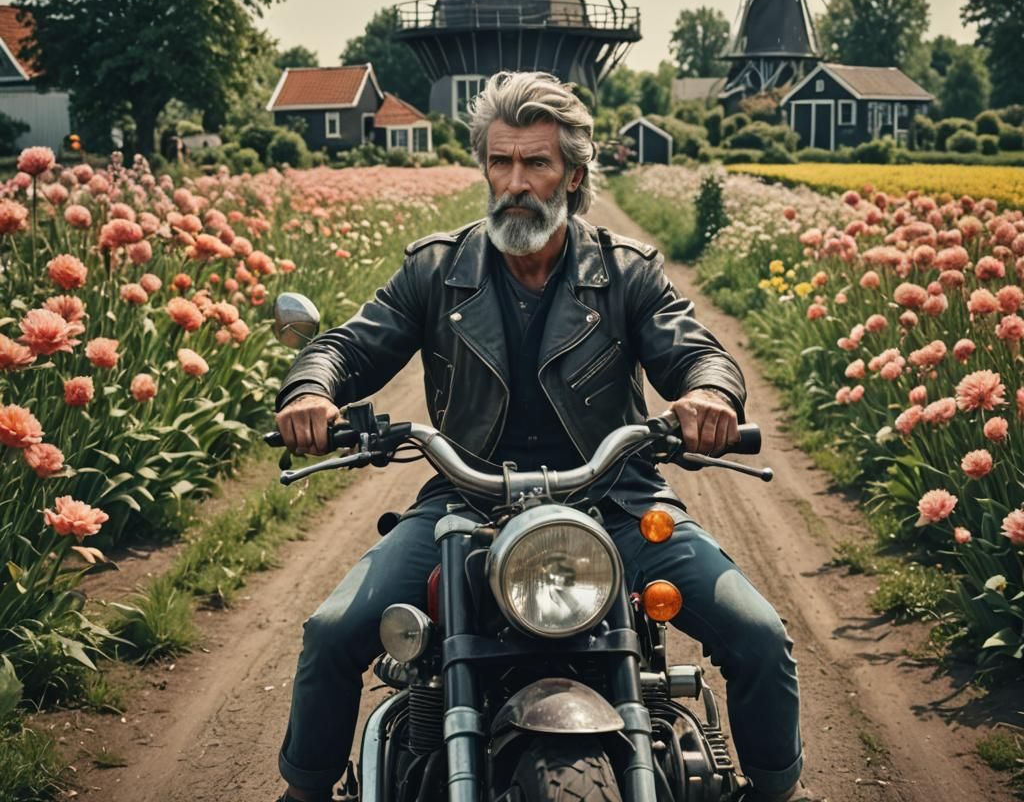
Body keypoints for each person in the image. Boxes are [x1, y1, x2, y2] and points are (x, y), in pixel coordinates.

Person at [272, 71, 803, 802]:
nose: (515, 182)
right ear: (485, 167)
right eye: (501, 162)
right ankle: (303, 792)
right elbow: (349, 346)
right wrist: (310, 390)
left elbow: (697, 351)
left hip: (616, 499)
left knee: (760, 634)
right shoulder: (436, 270)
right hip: (466, 502)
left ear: (574, 175)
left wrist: (709, 394)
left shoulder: (625, 273)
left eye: (536, 164)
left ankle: (778, 790)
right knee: (333, 632)